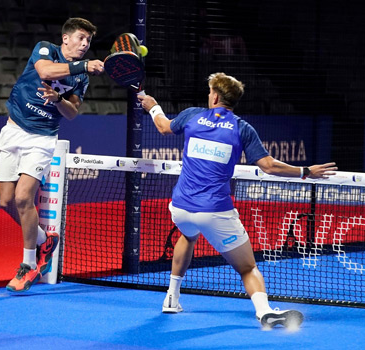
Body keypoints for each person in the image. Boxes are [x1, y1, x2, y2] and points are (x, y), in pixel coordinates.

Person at [137, 72, 337, 329]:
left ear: (216, 96)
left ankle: (171, 299)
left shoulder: (192, 115)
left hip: (180, 208)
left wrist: (153, 106)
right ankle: (264, 312)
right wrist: (306, 171)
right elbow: (269, 166)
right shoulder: (243, 129)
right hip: (215, 213)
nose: (209, 95)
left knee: (188, 236)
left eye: (210, 91)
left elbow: (164, 126)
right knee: (247, 267)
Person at [0, 17, 105, 292]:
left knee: (23, 197)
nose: (85, 44)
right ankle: (46, 239)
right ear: (65, 38)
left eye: (88, 41)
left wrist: (59, 100)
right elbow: (45, 72)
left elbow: (72, 113)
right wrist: (84, 65)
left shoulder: (80, 78)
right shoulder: (45, 48)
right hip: (13, 130)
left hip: (42, 137)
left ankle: (29, 265)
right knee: (6, 202)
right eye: (81, 38)